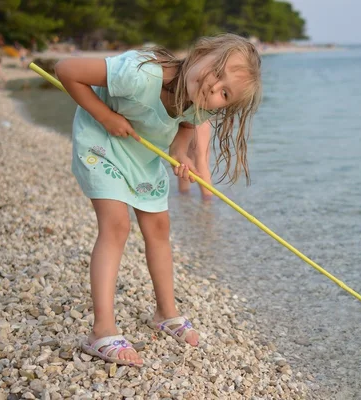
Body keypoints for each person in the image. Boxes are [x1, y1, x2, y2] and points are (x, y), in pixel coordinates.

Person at [54, 33, 262, 366]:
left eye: (225, 93)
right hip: (101, 142)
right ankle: (101, 329)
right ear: (202, 53)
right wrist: (106, 116)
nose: (214, 88)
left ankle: (165, 312)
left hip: (142, 156)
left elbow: (186, 126)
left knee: (159, 229)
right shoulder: (140, 73)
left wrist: (180, 155)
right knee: (117, 226)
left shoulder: (200, 105)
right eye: (217, 72)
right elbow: (66, 69)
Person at [177, 121, 214, 200]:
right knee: (201, 155)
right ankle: (208, 201)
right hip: (197, 114)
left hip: (183, 113)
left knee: (184, 153)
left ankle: (183, 198)